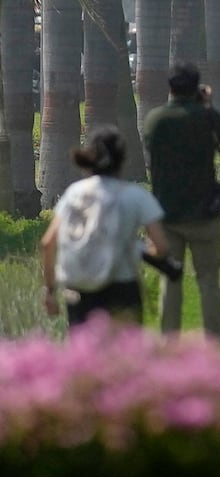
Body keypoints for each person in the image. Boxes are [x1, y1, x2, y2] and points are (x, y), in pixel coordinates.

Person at [142, 60, 220, 341]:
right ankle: (214, 345)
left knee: (170, 281)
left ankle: (168, 343)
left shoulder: (155, 119)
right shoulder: (206, 116)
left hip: (166, 215)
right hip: (204, 213)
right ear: (196, 87)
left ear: (170, 87)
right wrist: (208, 107)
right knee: (209, 282)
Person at [39, 127, 170, 328]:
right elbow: (161, 247)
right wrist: (139, 250)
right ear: (123, 159)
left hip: (78, 288)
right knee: (123, 356)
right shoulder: (136, 196)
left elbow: (48, 243)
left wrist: (50, 291)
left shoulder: (74, 193)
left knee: (84, 354)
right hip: (122, 287)